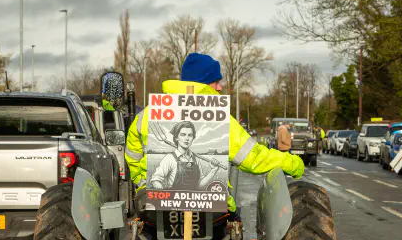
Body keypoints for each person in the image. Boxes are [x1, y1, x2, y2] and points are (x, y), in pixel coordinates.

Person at [126, 53, 304, 213]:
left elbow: (132, 155)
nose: (220, 87)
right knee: (233, 228)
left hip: (155, 206)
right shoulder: (219, 117)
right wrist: (293, 163)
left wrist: (143, 183)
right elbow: (254, 158)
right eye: (216, 82)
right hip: (211, 213)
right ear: (202, 83)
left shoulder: (147, 114)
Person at [149, 121, 224, 190]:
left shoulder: (195, 159)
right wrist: (164, 194)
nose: (187, 138)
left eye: (190, 135)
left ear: (193, 138)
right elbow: (155, 180)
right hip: (174, 201)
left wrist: (213, 171)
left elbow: (199, 186)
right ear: (176, 138)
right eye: (183, 135)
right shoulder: (170, 158)